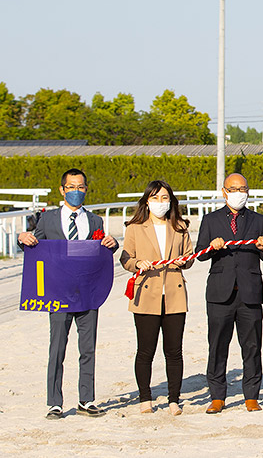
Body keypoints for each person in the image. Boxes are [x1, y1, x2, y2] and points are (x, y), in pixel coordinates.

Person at [17, 168, 119, 419]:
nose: (76, 191)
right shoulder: (48, 219)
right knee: (57, 348)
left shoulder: (95, 221)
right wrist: (23, 238)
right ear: (62, 189)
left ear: (86, 189)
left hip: (87, 294)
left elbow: (100, 254)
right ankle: (54, 402)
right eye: (71, 187)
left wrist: (112, 245)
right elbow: (34, 245)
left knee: (88, 348)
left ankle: (87, 399)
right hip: (57, 294)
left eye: (81, 187)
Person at [195, 173, 263, 414]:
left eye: (243, 189)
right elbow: (199, 254)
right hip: (220, 294)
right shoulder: (210, 220)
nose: (239, 193)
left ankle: (251, 395)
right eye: (234, 189)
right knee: (218, 346)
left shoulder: (259, 219)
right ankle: (217, 396)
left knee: (252, 346)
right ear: (224, 191)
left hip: (250, 293)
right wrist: (212, 247)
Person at [119, 180, 194, 415]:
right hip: (145, 294)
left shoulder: (180, 226)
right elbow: (125, 258)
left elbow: (190, 256)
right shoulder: (134, 227)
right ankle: (145, 399)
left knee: (174, 351)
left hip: (174, 294)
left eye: (164, 198)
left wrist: (185, 260)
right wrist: (136, 263)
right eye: (155, 198)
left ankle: (174, 399)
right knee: (145, 350)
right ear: (147, 201)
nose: (160, 203)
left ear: (171, 201)